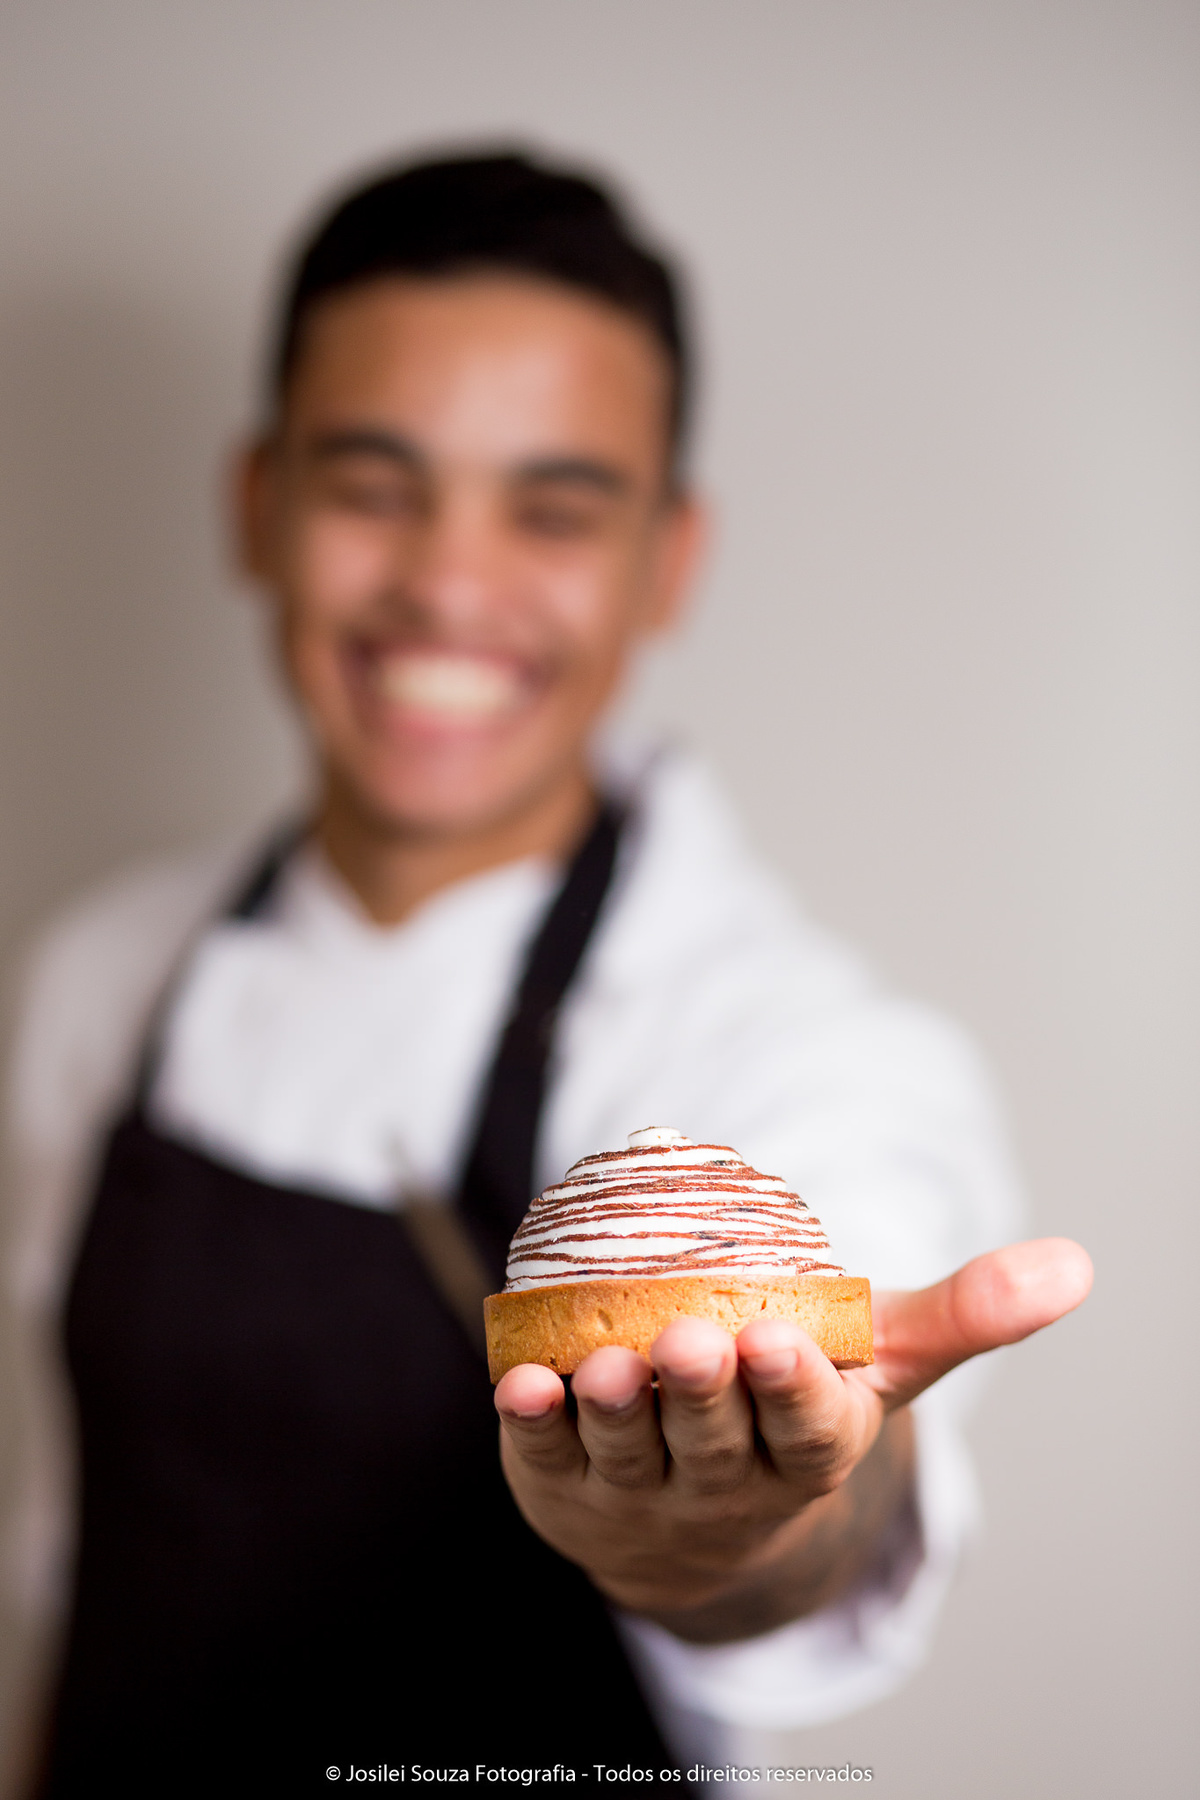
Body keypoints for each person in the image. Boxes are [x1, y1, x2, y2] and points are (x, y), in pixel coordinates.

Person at [3, 152, 1090, 1794]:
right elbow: (66, 1549)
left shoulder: (798, 1045)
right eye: (375, 485)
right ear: (258, 506)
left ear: (667, 559)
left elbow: (818, 1527)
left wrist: (729, 1523)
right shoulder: (106, 974)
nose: (448, 581)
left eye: (554, 508)